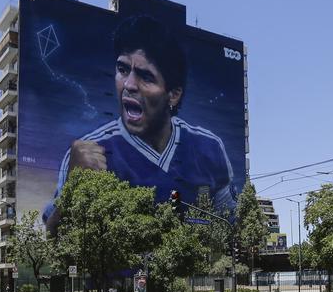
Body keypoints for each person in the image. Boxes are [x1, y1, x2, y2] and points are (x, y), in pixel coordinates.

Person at [43, 15, 236, 232]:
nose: (129, 84)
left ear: (173, 95)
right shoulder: (87, 153)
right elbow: (54, 241)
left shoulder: (208, 147)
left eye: (146, 76)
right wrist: (73, 185)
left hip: (189, 266)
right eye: (123, 70)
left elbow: (228, 224)